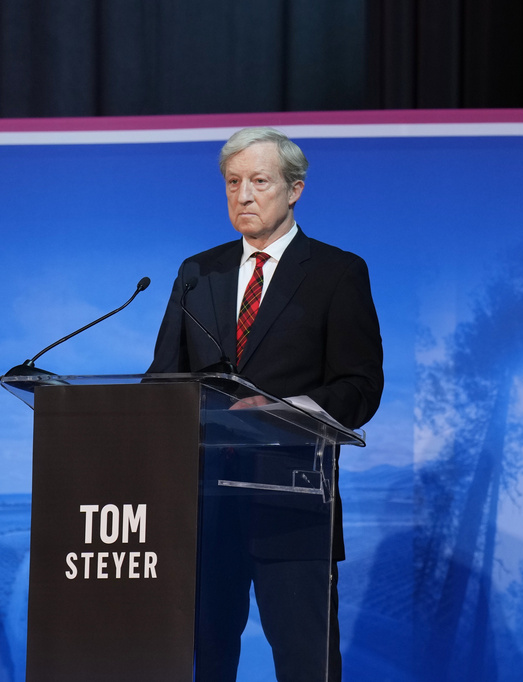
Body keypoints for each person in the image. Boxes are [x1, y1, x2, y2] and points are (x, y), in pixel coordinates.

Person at [148, 127, 384, 681]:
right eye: (233, 183)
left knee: (306, 664)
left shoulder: (336, 273)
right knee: (205, 663)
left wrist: (283, 408)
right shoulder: (196, 272)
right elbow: (163, 381)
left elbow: (359, 386)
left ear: (294, 189)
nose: (244, 196)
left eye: (259, 181)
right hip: (204, 511)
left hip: (294, 505)